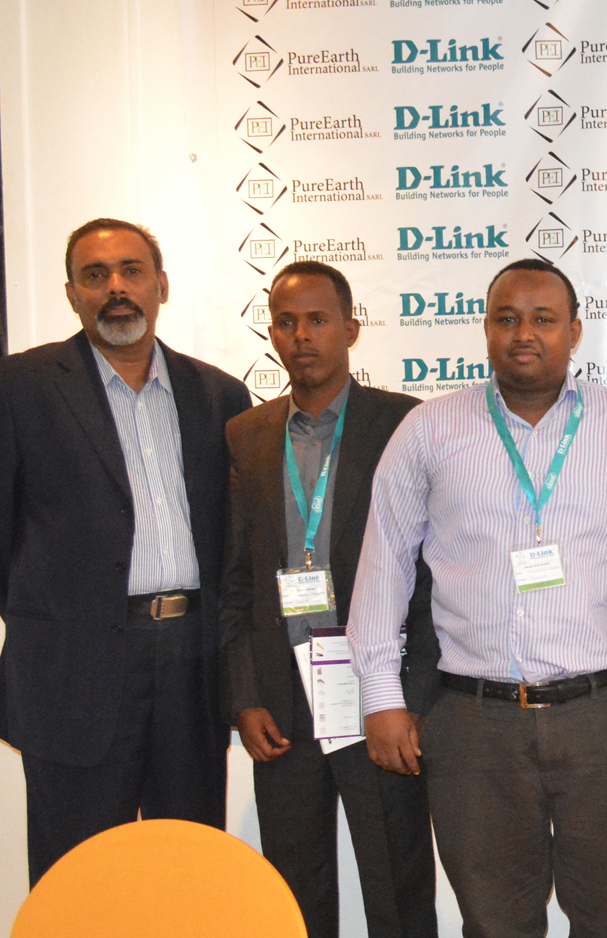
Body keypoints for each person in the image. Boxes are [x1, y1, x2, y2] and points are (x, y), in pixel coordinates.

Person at [347, 259, 607, 938]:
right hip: (475, 725)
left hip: (602, 718)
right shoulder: (429, 430)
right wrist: (381, 696)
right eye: (507, 318)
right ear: (485, 330)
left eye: (543, 319)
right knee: (495, 923)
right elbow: (384, 565)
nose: (524, 333)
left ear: (575, 332)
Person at [0, 218, 250, 884]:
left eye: (131, 271)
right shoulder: (16, 387)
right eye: (95, 275)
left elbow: (234, 536)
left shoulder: (219, 394)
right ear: (71, 294)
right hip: (73, 673)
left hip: (193, 664)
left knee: (188, 869)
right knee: (78, 877)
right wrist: (59, 615)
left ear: (161, 285)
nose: (116, 288)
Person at [218, 261, 438, 937]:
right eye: (286, 322)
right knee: (294, 895)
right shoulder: (246, 435)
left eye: (317, 320)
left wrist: (411, 699)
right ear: (272, 334)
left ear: (351, 329)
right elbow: (236, 581)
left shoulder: (403, 423)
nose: (302, 336)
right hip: (282, 705)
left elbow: (432, 576)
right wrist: (246, 697)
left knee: (398, 893)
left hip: (377, 695)